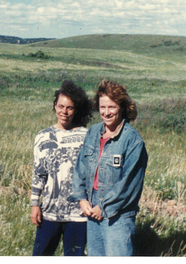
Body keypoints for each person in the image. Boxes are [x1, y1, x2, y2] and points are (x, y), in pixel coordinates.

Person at [68, 79, 148, 256]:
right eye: (102, 107)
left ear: (122, 107)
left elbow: (129, 186)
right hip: (92, 206)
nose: (106, 112)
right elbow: (80, 168)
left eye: (111, 107)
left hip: (118, 213)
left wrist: (103, 207)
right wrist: (82, 199)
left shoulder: (133, 141)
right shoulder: (93, 132)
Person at [30, 80, 93, 256]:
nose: (64, 112)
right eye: (60, 106)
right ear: (54, 106)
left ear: (77, 109)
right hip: (49, 212)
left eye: (70, 108)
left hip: (78, 215)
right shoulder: (43, 136)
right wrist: (34, 204)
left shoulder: (86, 135)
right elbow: (39, 173)